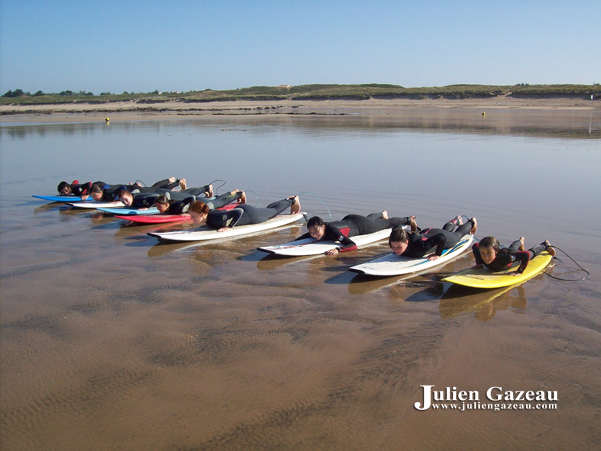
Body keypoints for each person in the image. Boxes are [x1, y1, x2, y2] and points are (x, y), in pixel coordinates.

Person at [294, 212, 417, 256]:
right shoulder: (318, 230)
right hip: (349, 219)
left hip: (359, 225)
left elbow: (352, 245)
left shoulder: (331, 230)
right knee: (371, 219)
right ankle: (381, 213)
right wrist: (292, 242)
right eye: (312, 232)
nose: (314, 235)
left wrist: (338, 249)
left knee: (384, 224)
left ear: (323, 226)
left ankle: (408, 219)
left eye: (316, 231)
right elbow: (307, 236)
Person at [388, 215, 477, 261]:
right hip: (427, 232)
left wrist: (438, 254)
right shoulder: (396, 238)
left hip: (439, 237)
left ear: (406, 242)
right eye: (393, 247)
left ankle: (471, 222)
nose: (395, 249)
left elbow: (441, 237)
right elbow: (396, 227)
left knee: (457, 235)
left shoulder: (420, 246)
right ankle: (456, 220)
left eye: (399, 247)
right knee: (444, 231)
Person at [187, 195, 301, 230]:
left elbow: (238, 212)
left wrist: (230, 227)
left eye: (193, 216)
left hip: (250, 215)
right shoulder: (209, 217)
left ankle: (293, 200)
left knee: (272, 212)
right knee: (267, 210)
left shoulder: (216, 217)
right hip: (246, 211)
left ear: (202, 214)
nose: (191, 219)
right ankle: (287, 200)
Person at [472, 236, 556, 275]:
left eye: (489, 253)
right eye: (483, 253)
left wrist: (519, 271)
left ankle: (545, 245)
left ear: (496, 251)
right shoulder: (480, 251)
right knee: (512, 249)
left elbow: (526, 254)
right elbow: (475, 245)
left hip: (510, 262)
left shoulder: (504, 258)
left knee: (530, 254)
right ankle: (520, 241)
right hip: (507, 251)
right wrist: (479, 263)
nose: (486, 256)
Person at [89, 177, 181, 202]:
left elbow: (123, 188)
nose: (93, 197)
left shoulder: (108, 194)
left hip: (134, 190)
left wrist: (117, 200)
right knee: (152, 188)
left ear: (100, 192)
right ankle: (170, 180)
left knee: (154, 190)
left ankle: (177, 182)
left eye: (94, 195)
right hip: (133, 188)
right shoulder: (105, 192)